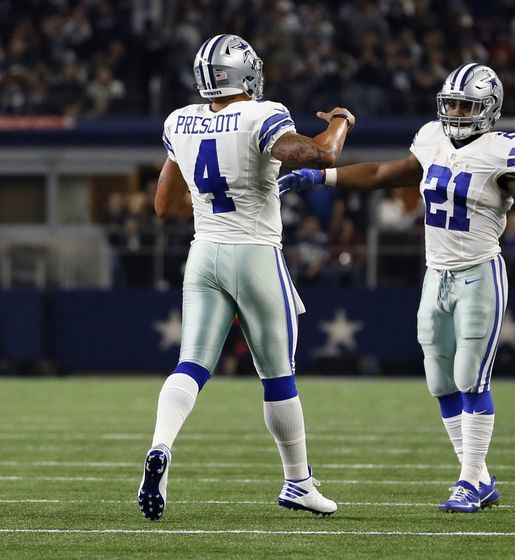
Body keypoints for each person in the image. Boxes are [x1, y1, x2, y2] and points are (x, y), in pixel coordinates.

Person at [278, 63, 515, 513]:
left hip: (478, 274)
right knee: (440, 380)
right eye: (451, 103)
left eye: (466, 105)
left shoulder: (503, 150)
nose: (456, 112)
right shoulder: (432, 138)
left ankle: (467, 481)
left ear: (489, 109)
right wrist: (321, 176)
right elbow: (384, 174)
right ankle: (480, 478)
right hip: (436, 274)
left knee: (470, 376)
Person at [138, 34, 355, 520]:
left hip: (203, 253)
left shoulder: (179, 120)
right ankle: (298, 482)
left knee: (191, 364)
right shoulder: (261, 113)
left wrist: (211, 194)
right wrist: (341, 120)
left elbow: (164, 206)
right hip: (255, 254)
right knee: (278, 376)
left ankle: (160, 445)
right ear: (244, 73)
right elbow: (322, 155)